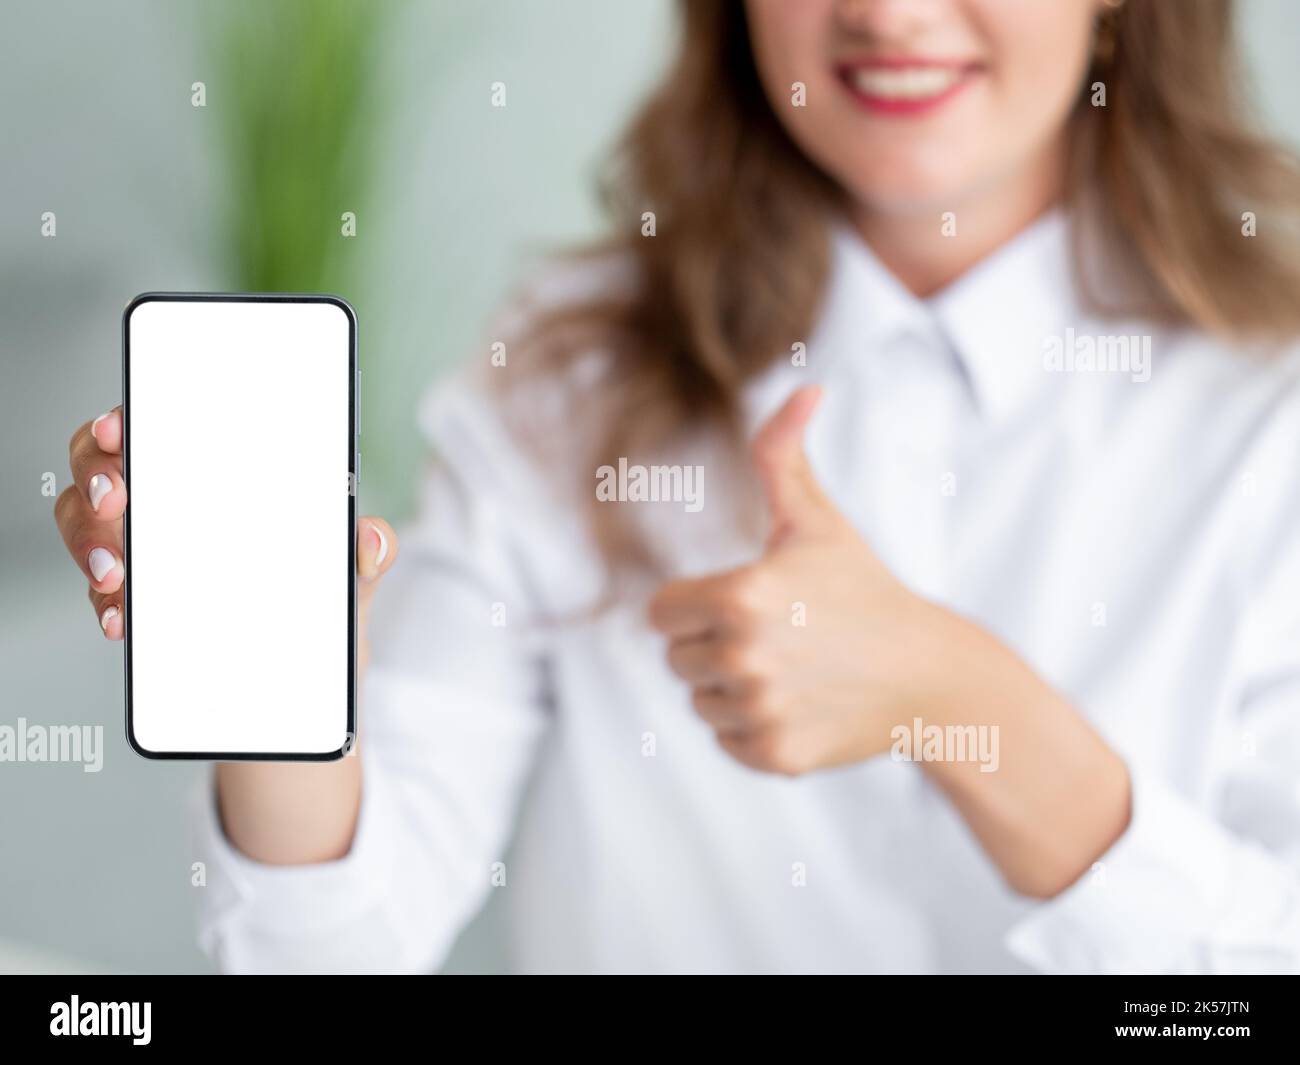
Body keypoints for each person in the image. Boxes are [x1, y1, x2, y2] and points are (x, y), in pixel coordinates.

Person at [56, 0, 1300, 973]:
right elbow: (320, 952)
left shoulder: (1268, 412)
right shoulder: (566, 374)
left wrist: (954, 698)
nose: (889, 12)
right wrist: (282, 679)